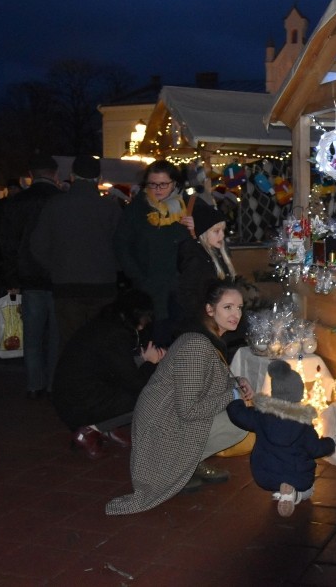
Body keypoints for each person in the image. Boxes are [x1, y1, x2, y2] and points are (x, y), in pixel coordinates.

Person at [105, 280, 253, 515]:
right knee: (240, 420)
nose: (236, 314)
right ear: (209, 310)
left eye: (239, 307)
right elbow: (188, 410)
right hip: (162, 425)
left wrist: (236, 382)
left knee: (240, 412)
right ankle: (180, 466)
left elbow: (210, 378)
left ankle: (190, 463)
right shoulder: (196, 345)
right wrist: (233, 394)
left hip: (170, 415)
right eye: (228, 307)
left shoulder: (207, 337)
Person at [52, 289, 165, 460]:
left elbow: (115, 369)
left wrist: (144, 360)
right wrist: (150, 363)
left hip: (75, 397)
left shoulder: (106, 325)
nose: (145, 323)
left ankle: (108, 428)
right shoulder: (114, 335)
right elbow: (137, 385)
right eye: (144, 318)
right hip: (78, 405)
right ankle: (92, 429)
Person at [31, 154, 122, 352]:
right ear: (99, 179)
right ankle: (97, 381)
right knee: (101, 343)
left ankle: (73, 381)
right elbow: (122, 246)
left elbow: (38, 246)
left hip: (66, 286)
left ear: (72, 176)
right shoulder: (111, 208)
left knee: (71, 344)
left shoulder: (55, 205)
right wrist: (112, 267)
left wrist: (56, 268)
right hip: (103, 285)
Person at [226, 359, 336, 517]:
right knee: (308, 490)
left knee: (279, 473)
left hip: (265, 474)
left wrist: (236, 397)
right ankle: (294, 494)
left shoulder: (261, 416)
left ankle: (281, 491)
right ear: (299, 394)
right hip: (297, 476)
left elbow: (239, 416)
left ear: (275, 392)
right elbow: (315, 449)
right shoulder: (303, 424)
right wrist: (330, 443)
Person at [0, 153, 62, 399]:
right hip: (58, 277)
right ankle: (53, 383)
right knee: (56, 335)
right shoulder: (61, 200)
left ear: (30, 175)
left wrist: (11, 278)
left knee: (32, 335)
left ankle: (34, 384)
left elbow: (8, 243)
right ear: (55, 175)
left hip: (29, 276)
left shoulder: (16, 202)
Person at [113, 160, 193, 347]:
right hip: (151, 292)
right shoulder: (138, 209)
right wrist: (138, 276)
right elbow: (121, 244)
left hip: (183, 291)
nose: (157, 189)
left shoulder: (188, 206)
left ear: (175, 184)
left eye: (163, 184)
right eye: (152, 184)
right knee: (156, 346)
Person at [175, 198, 243, 352]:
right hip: (204, 325)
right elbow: (189, 295)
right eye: (216, 231)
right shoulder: (196, 258)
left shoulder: (218, 255)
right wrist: (207, 318)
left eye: (223, 231)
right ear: (204, 233)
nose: (221, 236)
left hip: (217, 322)